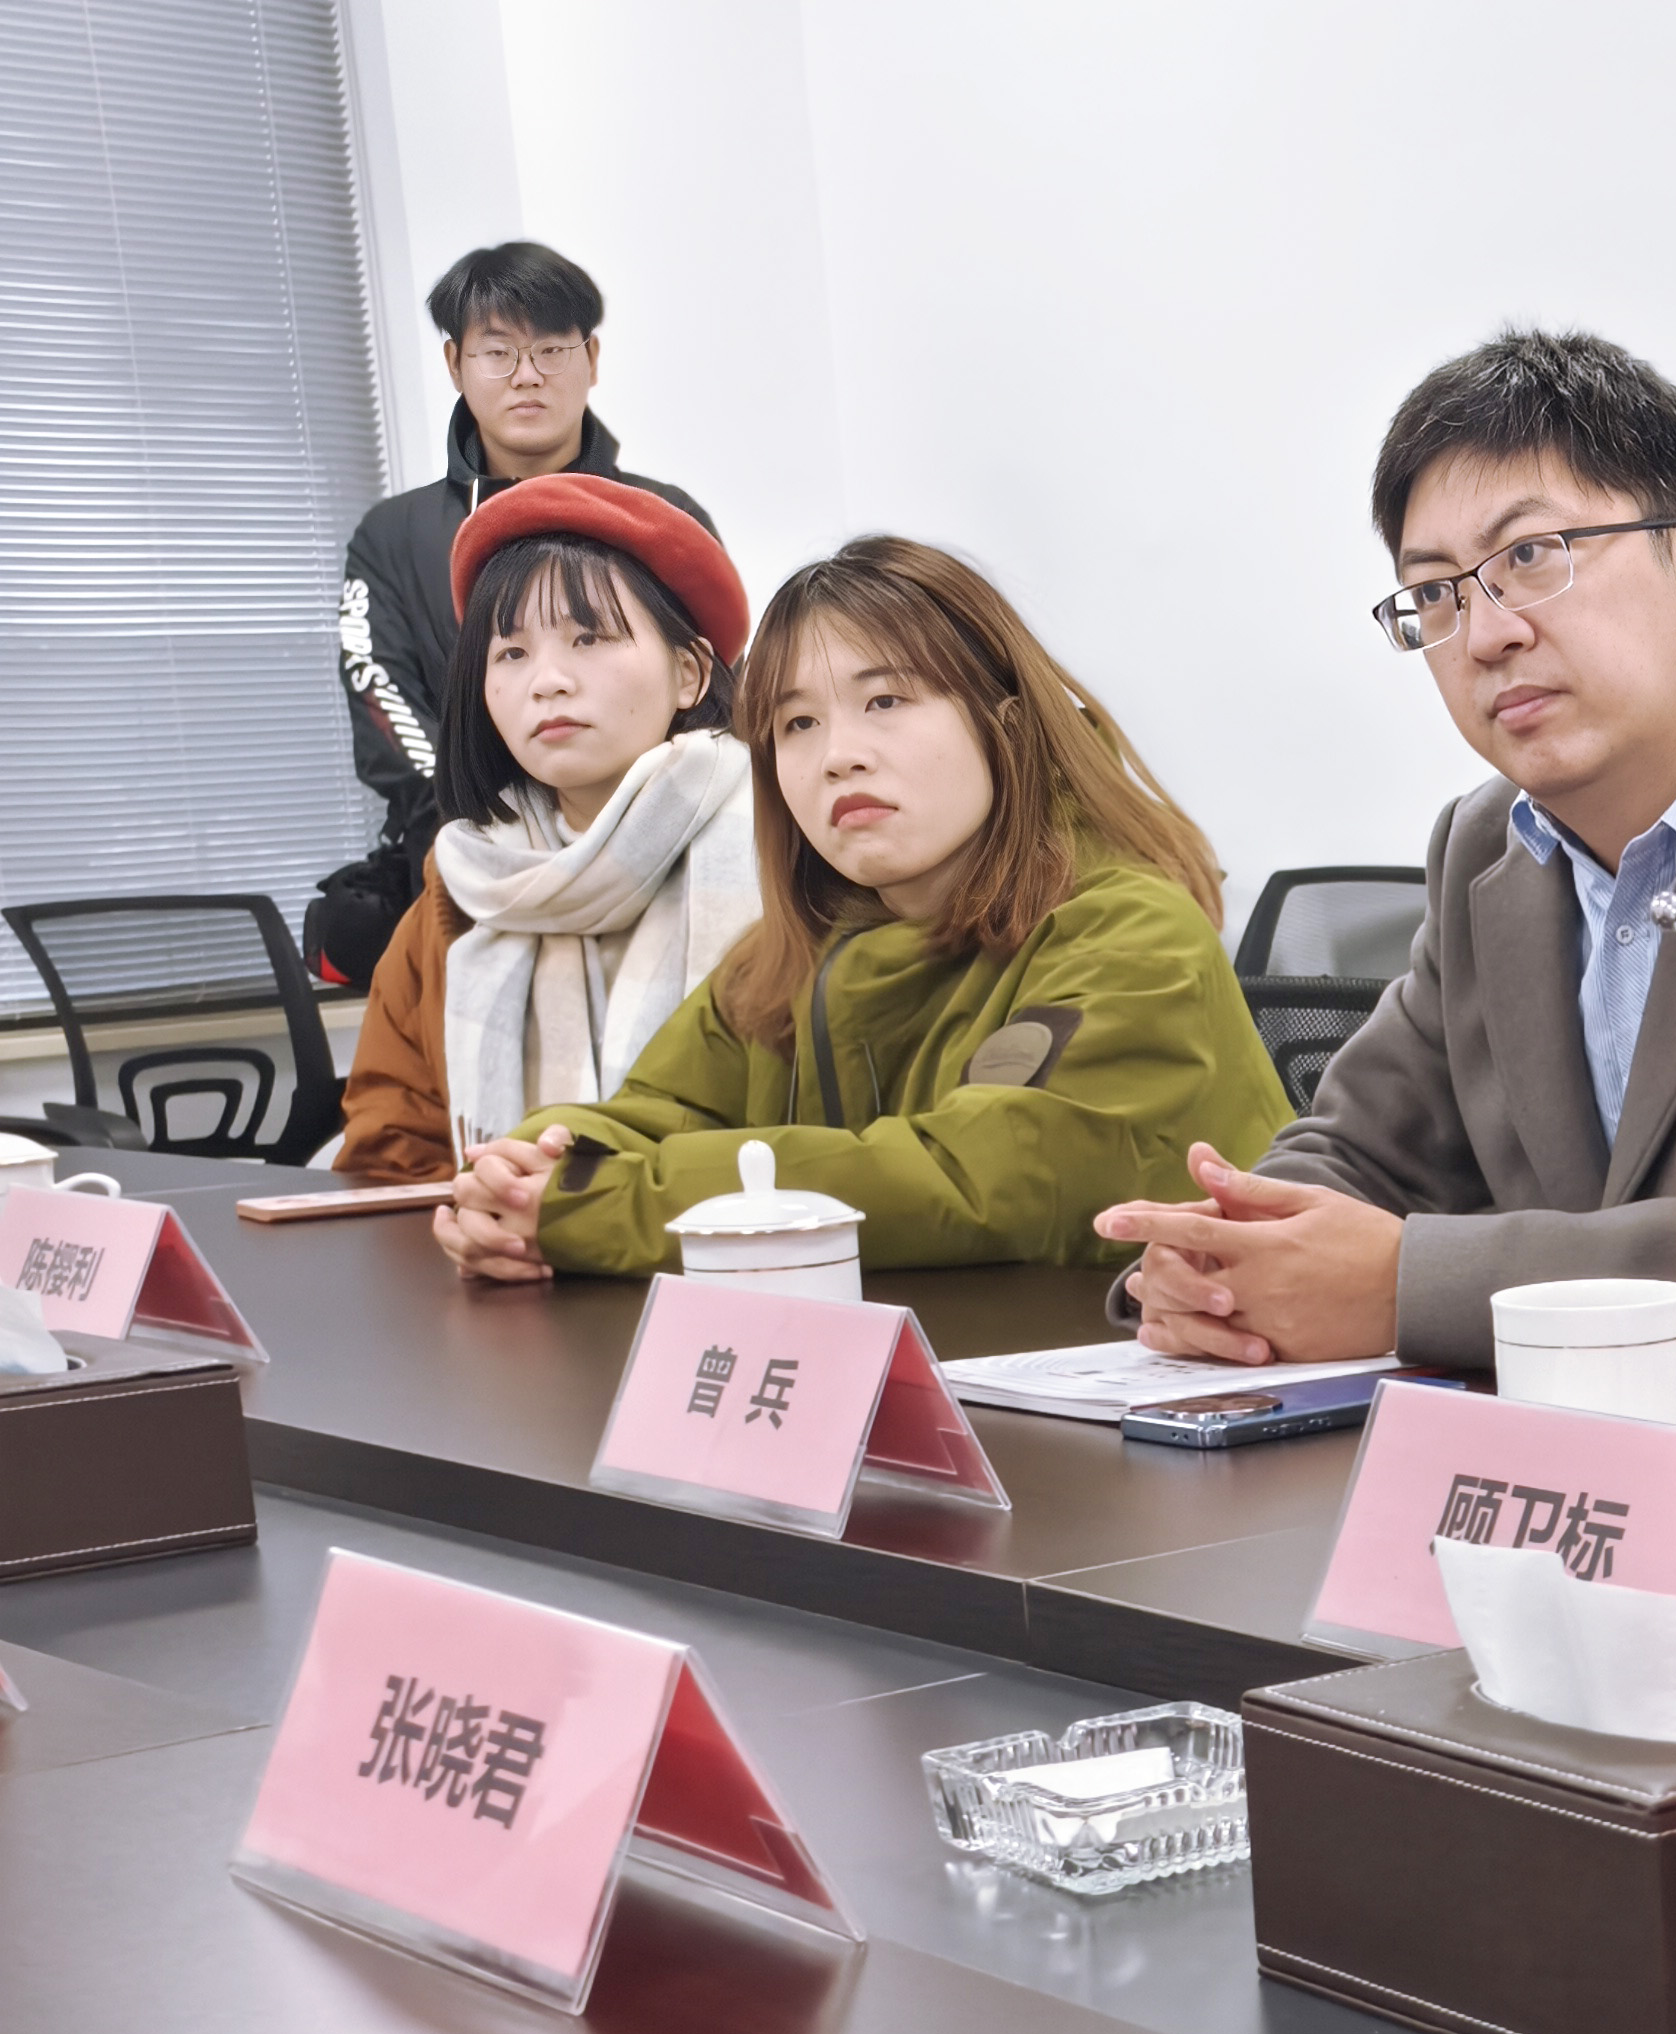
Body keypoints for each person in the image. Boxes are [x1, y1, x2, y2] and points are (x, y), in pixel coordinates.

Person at [1093, 330, 1676, 1378]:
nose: (1486, 636)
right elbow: (1363, 1150)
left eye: (1530, 558)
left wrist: (1408, 1287)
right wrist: (1216, 1266)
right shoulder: (1485, 847)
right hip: (1560, 1450)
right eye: (1436, 594)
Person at [431, 536, 1288, 1282]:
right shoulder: (789, 955)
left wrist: (589, 1205)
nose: (839, 756)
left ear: (1006, 722)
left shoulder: (1133, 931)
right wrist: (530, 1171)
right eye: (797, 724)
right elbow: (658, 1115)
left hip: (1164, 1383)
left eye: (886, 702)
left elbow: (984, 1179)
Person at [334, 477, 757, 1184]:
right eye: (511, 653)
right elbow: (391, 1150)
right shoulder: (462, 891)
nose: (547, 681)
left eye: (589, 637)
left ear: (689, 673)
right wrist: (488, 1217)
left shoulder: (789, 851)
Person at [319, 242, 718, 989]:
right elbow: (383, 703)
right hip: (465, 865)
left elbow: (710, 695)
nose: (527, 374)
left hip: (658, 858)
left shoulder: (662, 516)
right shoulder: (394, 535)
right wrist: (490, 819)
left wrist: (615, 816)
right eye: (498, 352)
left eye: (551, 349)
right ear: (455, 364)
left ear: (590, 358)